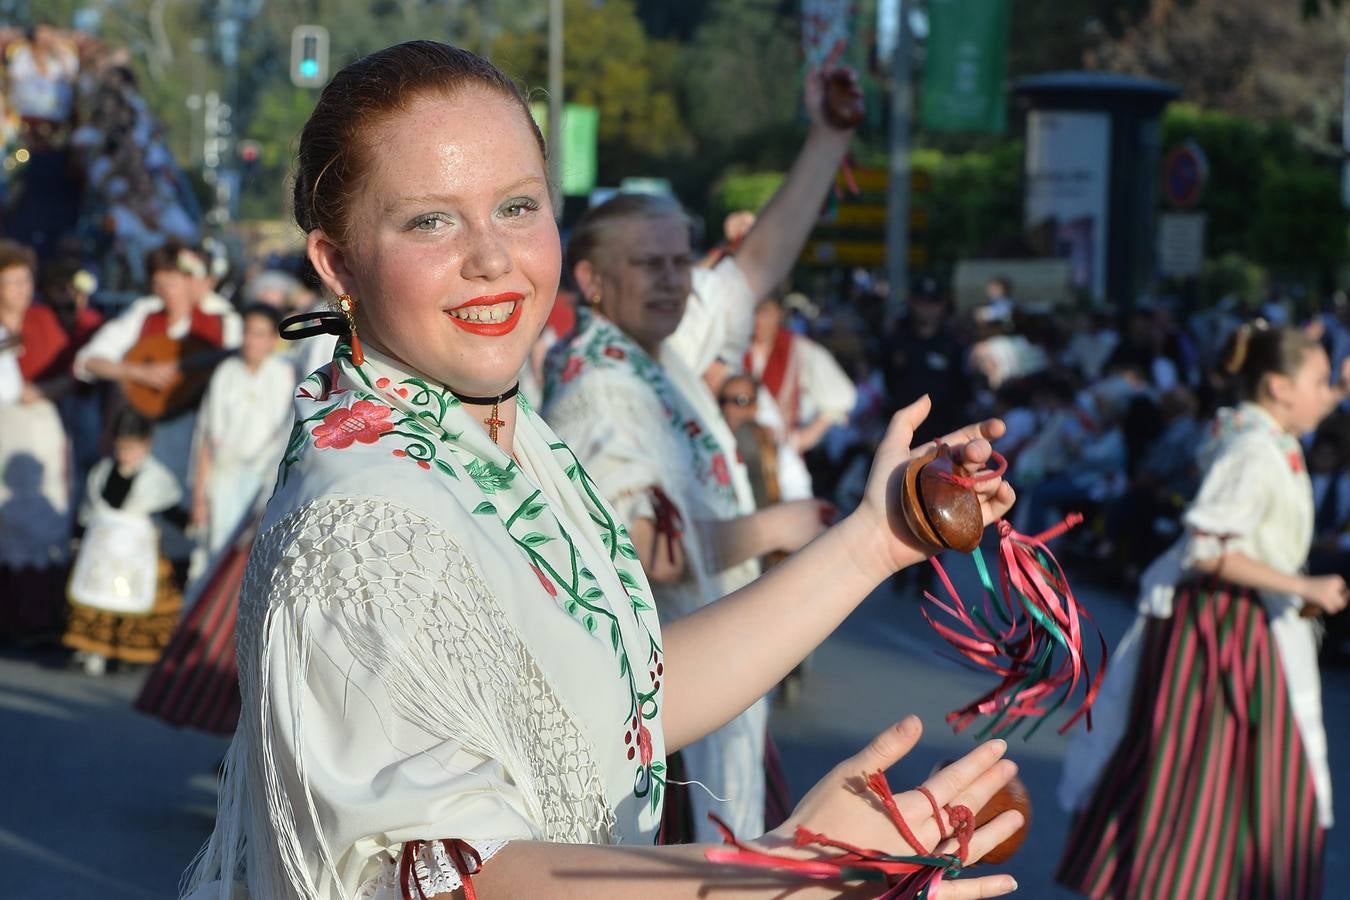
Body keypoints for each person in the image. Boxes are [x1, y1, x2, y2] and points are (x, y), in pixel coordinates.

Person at [184, 41, 1022, 900]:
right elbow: (449, 877)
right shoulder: (363, 526)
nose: (490, 256)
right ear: (337, 263)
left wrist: (873, 544)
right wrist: (780, 879)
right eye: (429, 220)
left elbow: (627, 709)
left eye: (517, 206)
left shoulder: (501, 436)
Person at [544, 108, 849, 838]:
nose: (675, 280)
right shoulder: (596, 386)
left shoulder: (659, 346)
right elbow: (646, 551)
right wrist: (779, 526)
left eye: (682, 260)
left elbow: (754, 268)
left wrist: (829, 136)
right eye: (650, 264)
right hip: (665, 733)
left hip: (716, 701)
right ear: (592, 280)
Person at [1057, 323, 1349, 899]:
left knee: (1234, 781)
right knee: (1206, 778)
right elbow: (1207, 547)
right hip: (1223, 633)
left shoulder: (1269, 437)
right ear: (1278, 387)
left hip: (1239, 626)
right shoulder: (1253, 449)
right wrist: (1304, 586)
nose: (1328, 394)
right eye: (1318, 382)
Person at [63, 408, 186, 676]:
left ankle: (128, 653)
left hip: (137, 553)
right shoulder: (102, 472)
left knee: (137, 597)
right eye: (121, 447)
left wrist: (190, 525)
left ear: (146, 445)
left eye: (132, 448)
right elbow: (88, 511)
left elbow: (170, 510)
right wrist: (78, 538)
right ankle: (91, 649)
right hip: (100, 552)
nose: (125, 454)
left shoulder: (155, 478)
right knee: (95, 599)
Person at [0, 239, 72, 644]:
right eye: (12, 282)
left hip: (38, 422)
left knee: (43, 512)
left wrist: (42, 391)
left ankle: (41, 618)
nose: (21, 290)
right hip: (3, 425)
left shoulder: (42, 320)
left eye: (25, 280)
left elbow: (70, 374)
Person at [190, 303, 294, 565]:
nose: (251, 340)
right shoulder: (226, 373)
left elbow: (284, 439)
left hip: (263, 483)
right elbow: (207, 436)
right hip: (223, 479)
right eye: (247, 332)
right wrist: (199, 496)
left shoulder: (284, 376)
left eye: (259, 334)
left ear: (273, 339)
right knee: (213, 556)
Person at [745, 294, 856, 501]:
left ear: (778, 313)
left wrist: (804, 438)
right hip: (740, 456)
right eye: (753, 312)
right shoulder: (737, 349)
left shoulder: (798, 349)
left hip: (783, 458)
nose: (758, 320)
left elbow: (841, 396)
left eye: (765, 312)